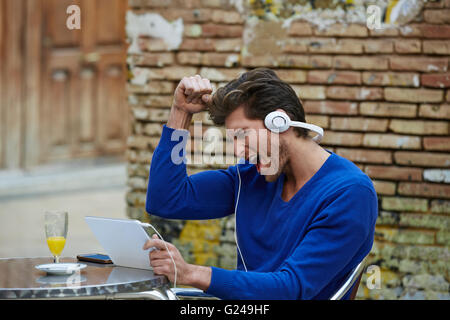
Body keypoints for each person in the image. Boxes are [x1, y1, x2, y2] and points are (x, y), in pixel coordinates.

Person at [143, 68, 378, 300]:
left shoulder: (350, 193)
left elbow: (290, 289)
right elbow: (166, 200)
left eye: (243, 135)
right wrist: (180, 113)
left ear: (280, 122)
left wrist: (191, 273)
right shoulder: (250, 178)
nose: (238, 151)